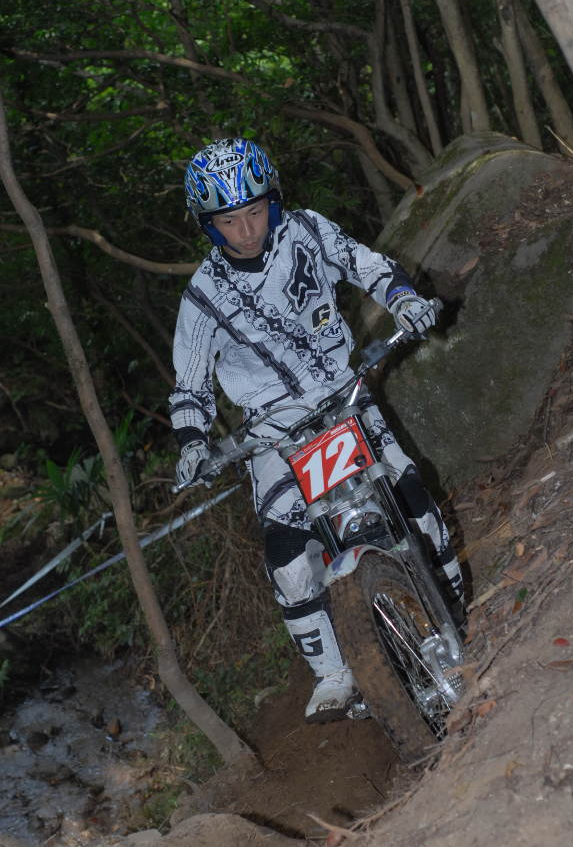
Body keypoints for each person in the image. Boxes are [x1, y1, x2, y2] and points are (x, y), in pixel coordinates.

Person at [170, 137, 463, 723]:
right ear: (208, 225)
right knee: (286, 555)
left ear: (273, 203)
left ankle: (454, 605)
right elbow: (189, 384)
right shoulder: (202, 298)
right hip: (272, 429)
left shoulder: (307, 231)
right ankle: (333, 671)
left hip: (341, 395)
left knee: (410, 493)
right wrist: (192, 444)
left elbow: (366, 265)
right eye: (229, 220)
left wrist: (404, 300)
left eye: (255, 212)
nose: (246, 230)